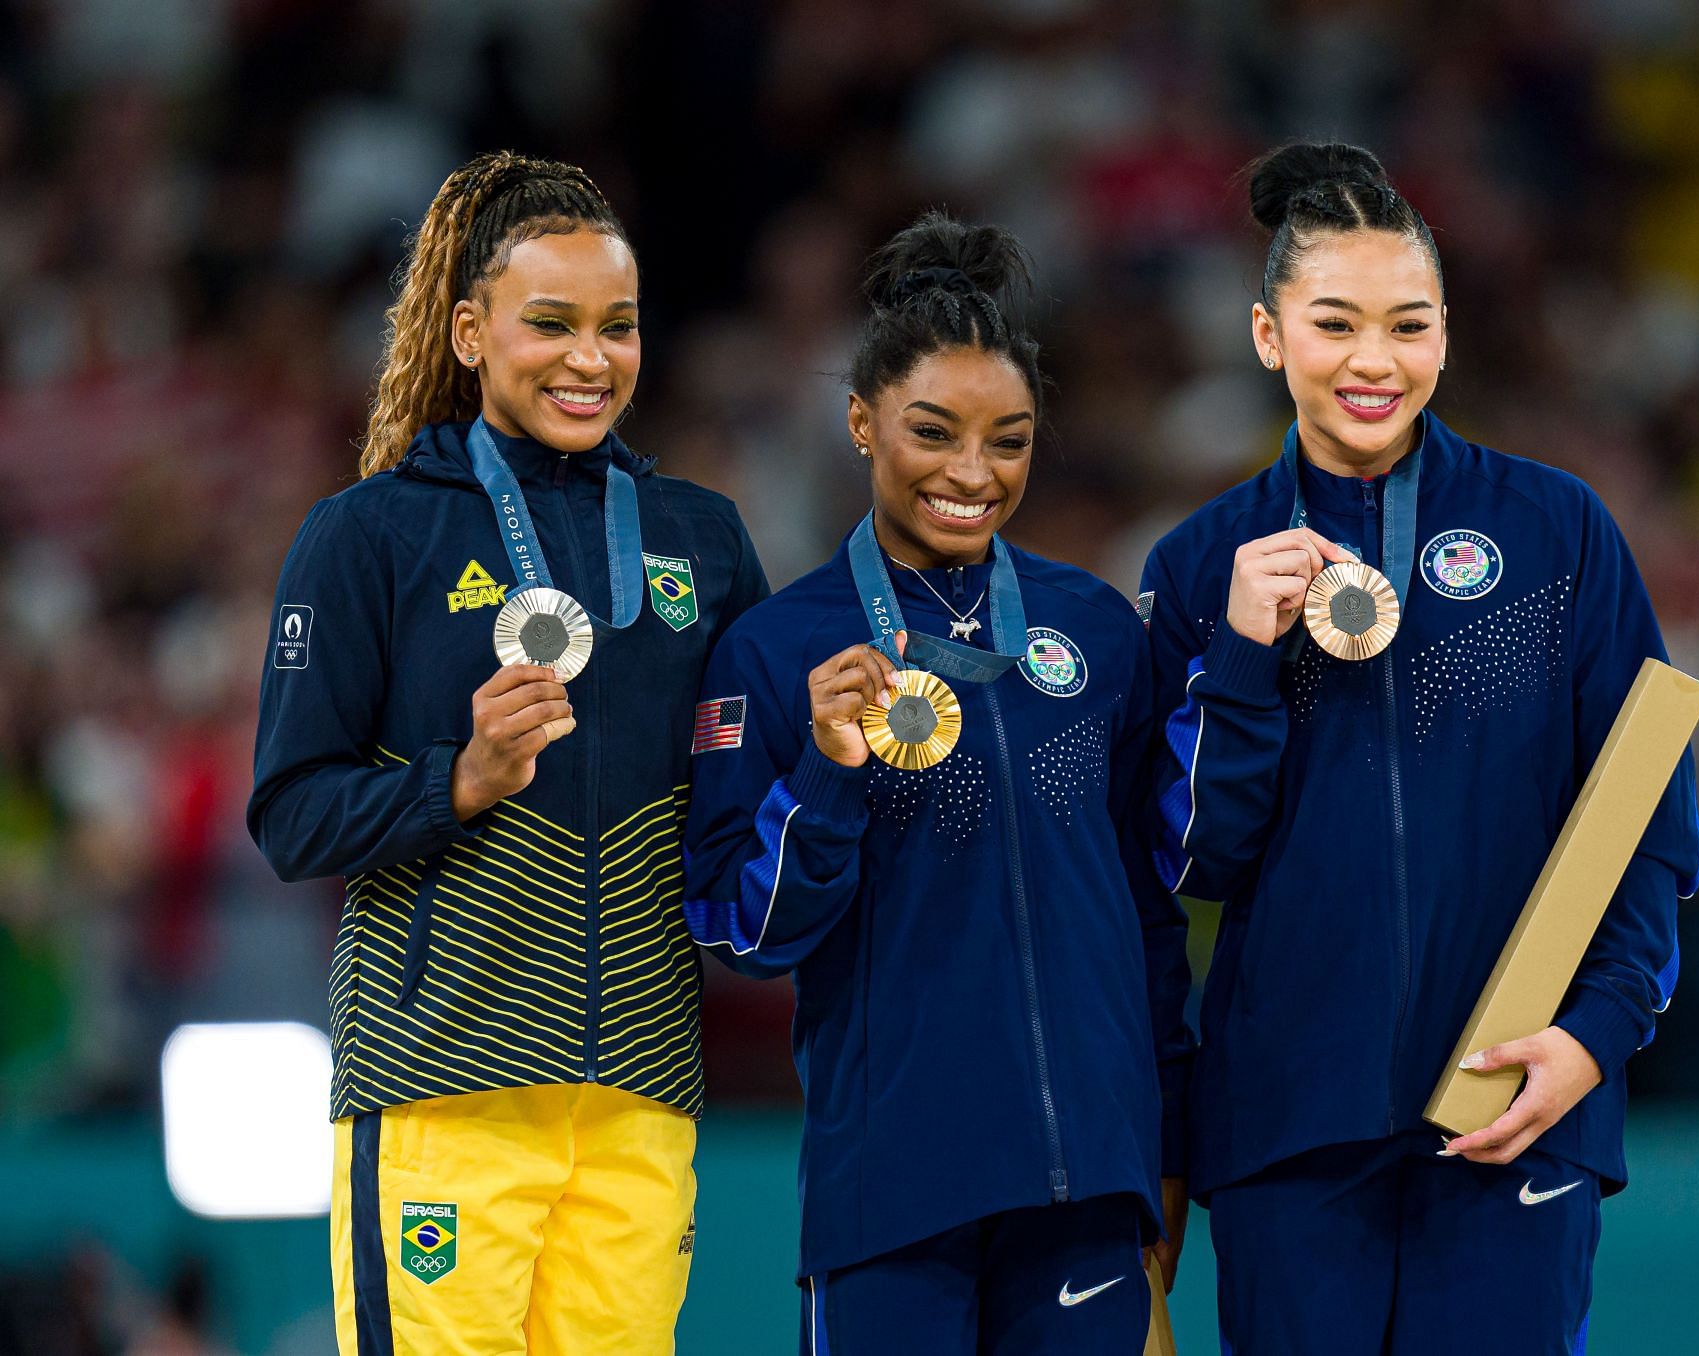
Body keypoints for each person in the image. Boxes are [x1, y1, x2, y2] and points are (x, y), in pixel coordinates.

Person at [1140, 142, 1699, 1354]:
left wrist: (1592, 1038)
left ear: (1446, 336)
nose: (1374, 362)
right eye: (1334, 323)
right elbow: (1196, 859)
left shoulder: (1558, 532)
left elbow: (1649, 818)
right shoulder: (1202, 566)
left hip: (1520, 1101)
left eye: (1409, 324)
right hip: (1291, 1124)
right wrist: (1240, 657)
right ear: (1267, 335)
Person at [247, 150, 767, 1355]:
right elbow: (289, 816)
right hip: (443, 1088)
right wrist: (459, 780)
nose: (591, 358)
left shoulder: (706, 537)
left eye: (618, 327)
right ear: (473, 331)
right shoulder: (370, 534)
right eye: (552, 324)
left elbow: (753, 792)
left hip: (642, 1094)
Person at [680, 213, 1195, 1356]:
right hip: (891, 1196)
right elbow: (740, 929)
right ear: (861, 422)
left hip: (1086, 1191)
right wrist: (826, 765)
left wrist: (1167, 1138)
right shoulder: (776, 651)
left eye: (1008, 440)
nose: (972, 473)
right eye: (933, 431)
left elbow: (1148, 914)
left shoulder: (1094, 632)